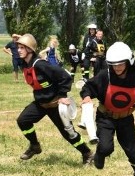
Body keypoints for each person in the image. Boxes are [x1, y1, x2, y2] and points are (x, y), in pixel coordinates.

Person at [80, 42, 135, 176]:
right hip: (105, 117)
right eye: (113, 64)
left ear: (129, 62)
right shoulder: (105, 75)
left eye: (120, 64)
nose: (116, 67)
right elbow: (88, 87)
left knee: (133, 153)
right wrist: (86, 97)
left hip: (126, 119)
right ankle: (99, 154)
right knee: (106, 148)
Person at [14, 33, 93, 164]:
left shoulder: (40, 65)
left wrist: (62, 96)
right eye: (18, 47)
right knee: (23, 121)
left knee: (68, 134)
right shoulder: (26, 65)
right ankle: (34, 146)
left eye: (22, 47)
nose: (18, 50)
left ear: (29, 49)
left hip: (55, 104)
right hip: (41, 104)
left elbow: (65, 77)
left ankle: (87, 153)